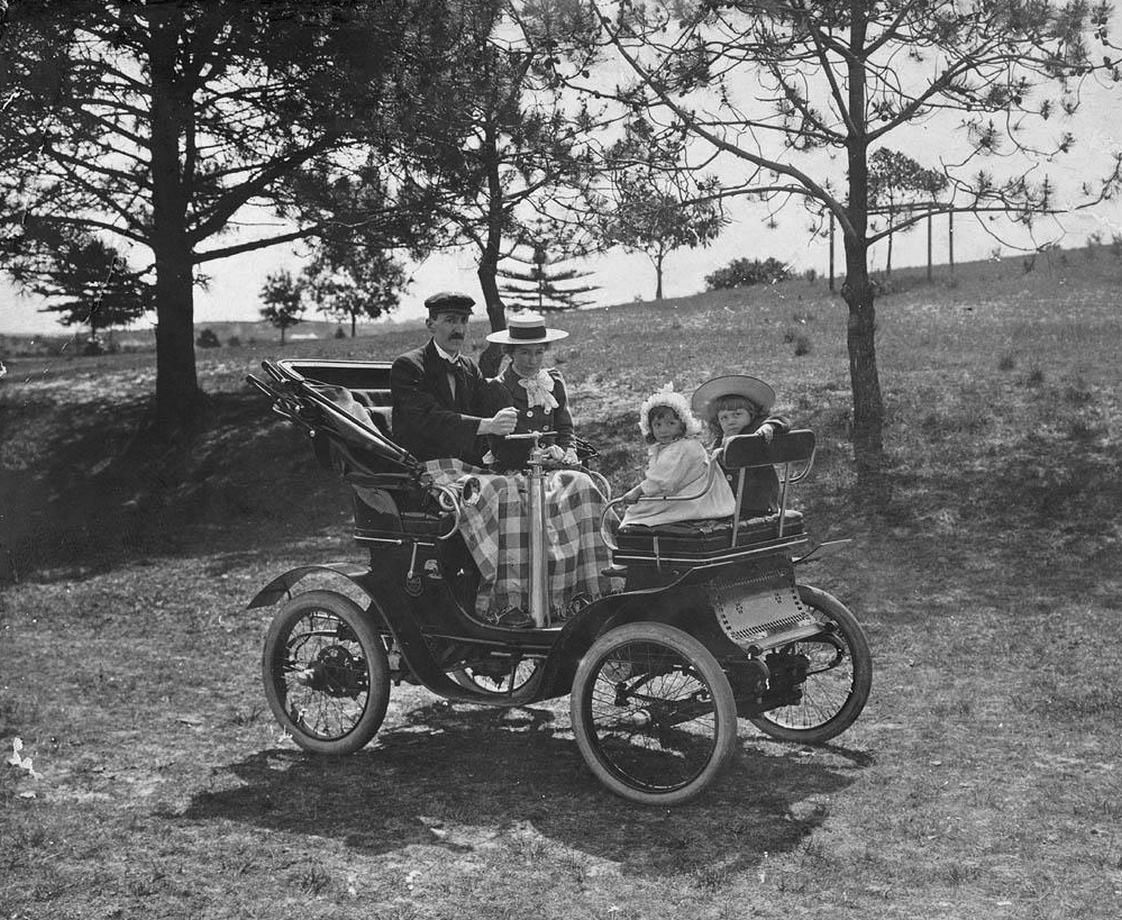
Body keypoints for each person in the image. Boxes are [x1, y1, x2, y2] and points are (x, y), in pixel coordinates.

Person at [389, 291, 517, 466]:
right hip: (419, 469)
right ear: (431, 325)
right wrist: (489, 425)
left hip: (466, 467)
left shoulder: (469, 367)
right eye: (450, 320)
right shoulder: (408, 366)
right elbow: (429, 420)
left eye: (464, 321)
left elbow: (488, 407)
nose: (459, 330)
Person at [620, 384, 735, 527]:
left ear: (682, 425)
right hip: (689, 494)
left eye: (671, 423)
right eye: (658, 425)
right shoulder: (676, 446)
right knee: (639, 509)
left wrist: (637, 491)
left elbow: (661, 480)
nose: (664, 430)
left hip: (694, 499)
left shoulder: (681, 448)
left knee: (637, 515)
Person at [482, 311, 579, 471]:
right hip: (515, 468)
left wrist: (569, 451)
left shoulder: (553, 381)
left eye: (539, 352)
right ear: (511, 352)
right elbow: (499, 446)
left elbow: (564, 427)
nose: (533, 361)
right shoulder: (497, 388)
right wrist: (537, 455)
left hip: (554, 464)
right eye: (525, 352)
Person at [691, 375, 791, 517]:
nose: (731, 421)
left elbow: (783, 420)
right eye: (724, 417)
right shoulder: (720, 439)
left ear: (751, 415)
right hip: (728, 501)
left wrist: (769, 426)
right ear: (718, 421)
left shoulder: (755, 431)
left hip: (757, 501)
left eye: (737, 414)